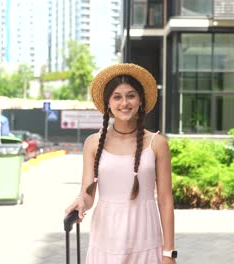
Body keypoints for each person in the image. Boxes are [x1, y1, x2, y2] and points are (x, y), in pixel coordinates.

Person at [65, 64, 177, 263]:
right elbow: (88, 194)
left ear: (140, 100)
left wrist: (169, 252)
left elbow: (166, 200)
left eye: (131, 96)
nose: (124, 103)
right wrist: (81, 201)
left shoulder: (157, 144)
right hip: (106, 238)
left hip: (146, 237)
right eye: (117, 97)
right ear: (108, 103)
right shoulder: (93, 143)